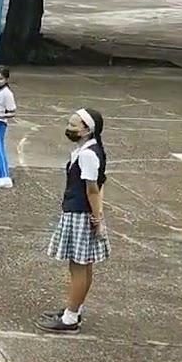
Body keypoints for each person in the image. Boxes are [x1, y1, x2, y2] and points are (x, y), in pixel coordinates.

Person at [36, 109, 108, 334]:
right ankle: (74, 309)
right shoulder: (87, 150)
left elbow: (93, 189)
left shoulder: (88, 155)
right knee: (82, 265)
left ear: (87, 129)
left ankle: (69, 319)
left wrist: (97, 218)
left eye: (74, 125)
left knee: (79, 267)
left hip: (80, 214)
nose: (69, 128)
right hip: (81, 213)